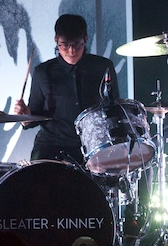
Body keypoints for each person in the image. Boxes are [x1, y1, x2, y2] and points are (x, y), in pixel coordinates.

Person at [13, 13, 120, 164]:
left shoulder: (103, 67)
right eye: (64, 45)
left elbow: (114, 108)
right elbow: (34, 117)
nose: (71, 51)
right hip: (51, 145)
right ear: (56, 40)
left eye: (77, 44)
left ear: (85, 39)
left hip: (91, 146)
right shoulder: (42, 72)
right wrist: (25, 117)